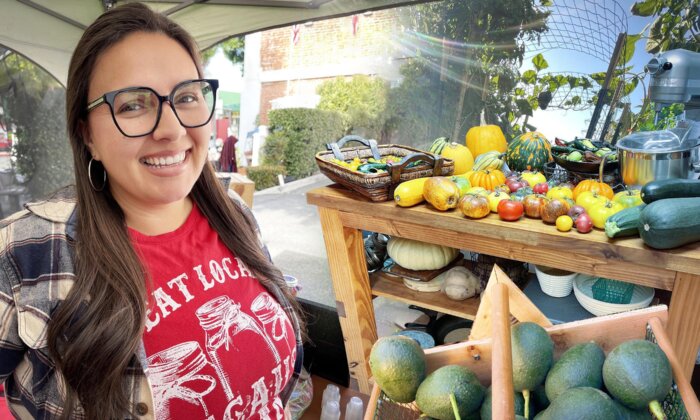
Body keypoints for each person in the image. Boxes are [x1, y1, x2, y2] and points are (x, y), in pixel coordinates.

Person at [0, 3, 303, 419]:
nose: (172, 129)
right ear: (86, 134)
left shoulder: (235, 215)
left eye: (187, 96)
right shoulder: (25, 252)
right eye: (132, 105)